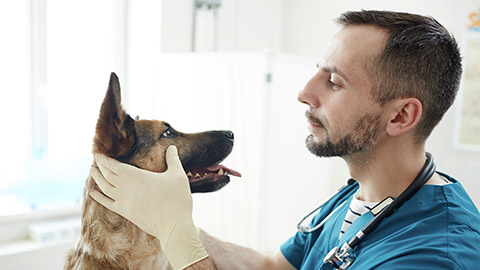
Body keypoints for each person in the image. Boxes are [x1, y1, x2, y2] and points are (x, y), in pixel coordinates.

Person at [90, 10, 480, 270]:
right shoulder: (356, 197)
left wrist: (178, 237)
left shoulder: (433, 255)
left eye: (334, 81)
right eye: (317, 71)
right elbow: (271, 268)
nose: (305, 92)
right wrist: (166, 222)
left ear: (400, 116)